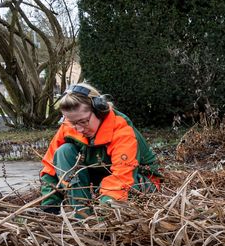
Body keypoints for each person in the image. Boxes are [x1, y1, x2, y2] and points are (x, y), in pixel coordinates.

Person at [40, 83, 161, 216]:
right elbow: (50, 168)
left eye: (83, 121)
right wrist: (49, 205)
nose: (79, 129)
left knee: (122, 196)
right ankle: (80, 212)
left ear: (99, 111)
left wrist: (104, 214)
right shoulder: (71, 126)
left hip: (137, 180)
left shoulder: (122, 131)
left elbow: (123, 178)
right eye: (72, 122)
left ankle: (99, 212)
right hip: (99, 178)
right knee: (64, 151)